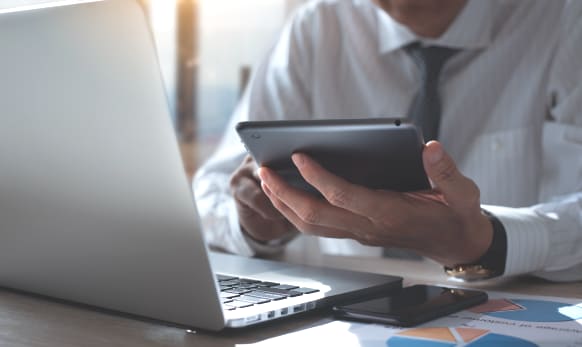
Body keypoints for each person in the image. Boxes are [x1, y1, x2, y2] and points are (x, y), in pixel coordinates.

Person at [193, 0, 582, 282]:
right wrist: (252, 221)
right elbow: (214, 191)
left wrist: (486, 241)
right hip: (342, 319)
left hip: (520, 314)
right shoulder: (316, 28)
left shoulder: (566, 19)